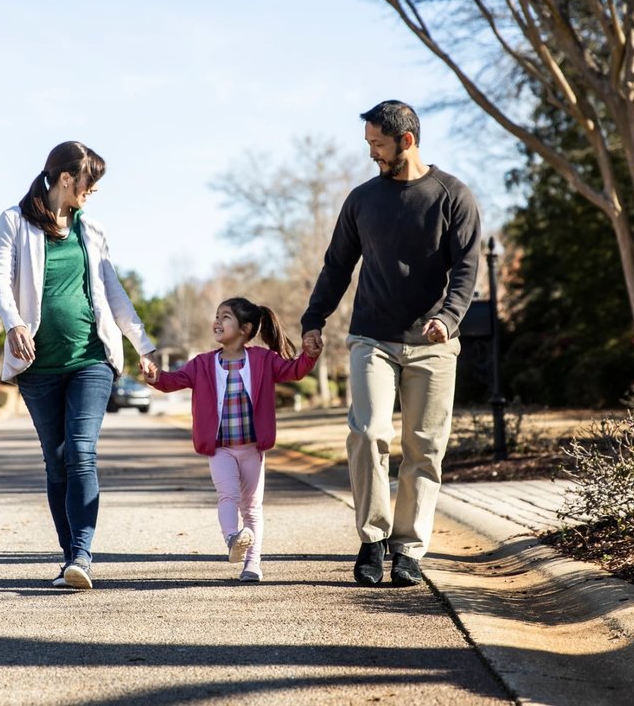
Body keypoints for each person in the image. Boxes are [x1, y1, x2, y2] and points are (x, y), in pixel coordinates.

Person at [301, 100, 482, 587]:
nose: (371, 153)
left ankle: (408, 548)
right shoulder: (362, 200)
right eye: (368, 144)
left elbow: (467, 269)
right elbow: (337, 265)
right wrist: (314, 319)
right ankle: (372, 539)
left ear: (407, 140)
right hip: (372, 337)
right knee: (367, 432)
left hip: (433, 342)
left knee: (424, 447)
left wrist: (448, 318)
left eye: (377, 144)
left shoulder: (453, 196)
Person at [0, 140, 158, 591]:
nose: (93, 190)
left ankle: (82, 552)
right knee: (57, 461)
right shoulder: (14, 221)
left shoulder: (92, 230)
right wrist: (13, 323)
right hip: (37, 366)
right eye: (89, 182)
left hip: (91, 358)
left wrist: (143, 345)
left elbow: (113, 292)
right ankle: (70, 560)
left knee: (81, 452)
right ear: (66, 178)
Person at [144, 297, 319, 582]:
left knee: (252, 508)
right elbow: (173, 381)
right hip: (220, 449)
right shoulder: (203, 363)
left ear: (245, 329)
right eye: (217, 316)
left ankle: (252, 564)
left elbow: (294, 370)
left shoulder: (263, 360)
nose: (217, 321)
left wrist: (309, 356)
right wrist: (155, 377)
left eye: (225, 317)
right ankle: (232, 539)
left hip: (252, 449)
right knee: (227, 496)